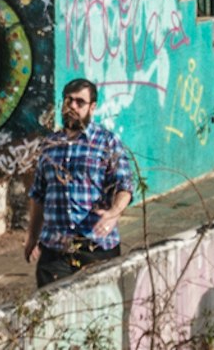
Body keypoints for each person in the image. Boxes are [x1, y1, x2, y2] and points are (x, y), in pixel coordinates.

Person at [24, 77, 136, 286]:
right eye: (68, 101)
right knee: (53, 313)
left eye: (80, 102)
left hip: (96, 248)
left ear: (92, 107)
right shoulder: (50, 145)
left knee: (100, 313)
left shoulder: (106, 142)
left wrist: (114, 213)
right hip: (55, 250)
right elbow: (38, 194)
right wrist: (32, 237)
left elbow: (125, 185)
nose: (72, 107)